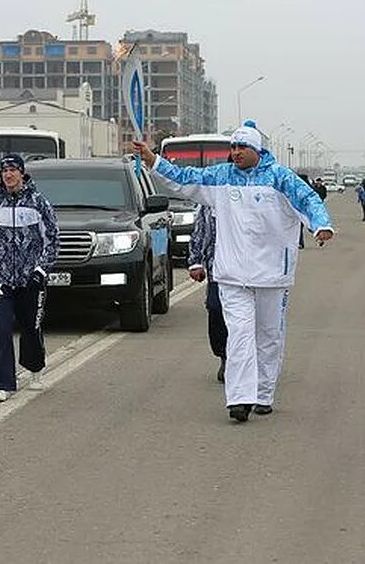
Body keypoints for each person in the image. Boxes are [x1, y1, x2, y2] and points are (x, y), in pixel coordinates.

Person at [133, 126, 334, 422]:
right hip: (231, 275)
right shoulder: (221, 177)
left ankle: (264, 393)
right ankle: (240, 398)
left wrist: (321, 226)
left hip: (272, 273)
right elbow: (185, 179)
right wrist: (154, 160)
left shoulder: (280, 177)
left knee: (268, 336)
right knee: (239, 334)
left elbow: (309, 201)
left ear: (257, 150)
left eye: (242, 147)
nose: (236, 152)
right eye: (233, 147)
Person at [0, 154, 59, 402]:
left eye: (12, 170)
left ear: (21, 173)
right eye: (4, 171)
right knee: (0, 330)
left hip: (29, 277)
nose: (8, 175)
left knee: (30, 327)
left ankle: (34, 368)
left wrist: (41, 270)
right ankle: (3, 383)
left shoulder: (38, 202)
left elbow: (52, 239)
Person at [187, 203, 227, 382]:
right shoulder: (212, 197)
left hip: (250, 270)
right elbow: (201, 230)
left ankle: (246, 361)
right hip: (217, 268)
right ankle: (224, 355)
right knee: (216, 308)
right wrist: (195, 262)